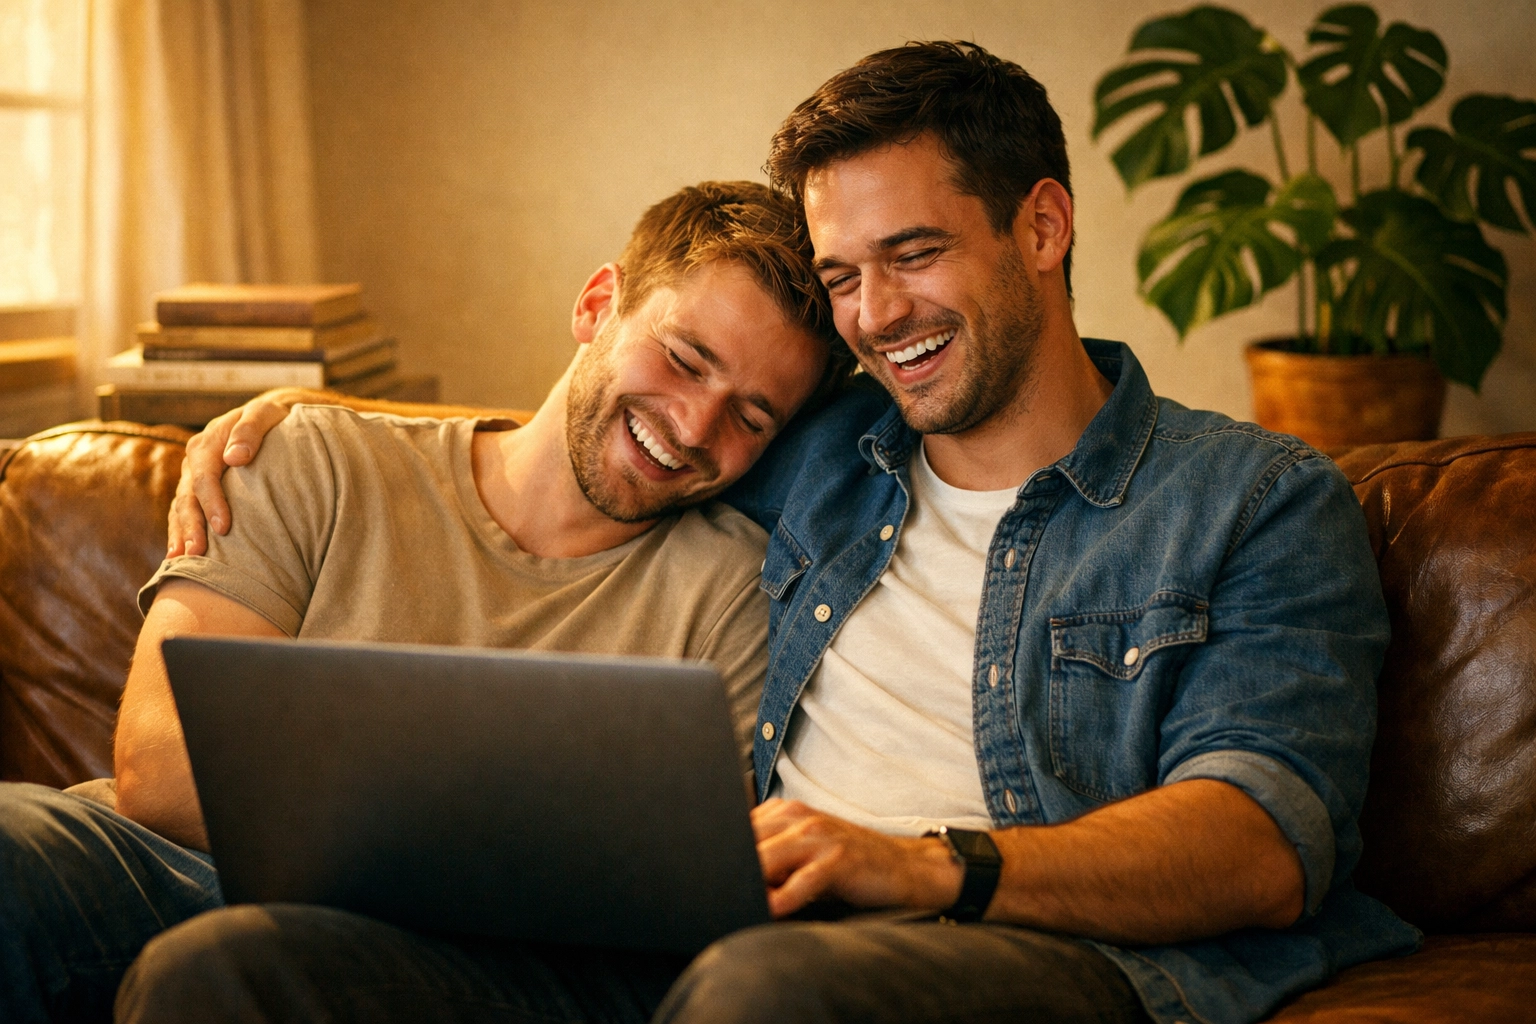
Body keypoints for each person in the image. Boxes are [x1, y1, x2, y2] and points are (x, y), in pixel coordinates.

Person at [133, 42, 1419, 1024]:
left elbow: (1263, 840)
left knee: (768, 993)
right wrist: (306, 412)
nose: (872, 315)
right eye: (844, 272)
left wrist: (923, 868)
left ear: (1042, 225)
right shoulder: (820, 451)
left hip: (1023, 950)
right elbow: (614, 411)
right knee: (234, 965)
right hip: (695, 940)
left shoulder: (1254, 499)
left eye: (910, 254)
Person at [0, 180, 850, 1024]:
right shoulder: (310, 458)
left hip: (433, 963)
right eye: (684, 358)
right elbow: (157, 765)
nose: (696, 427)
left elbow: (681, 883)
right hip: (168, 870)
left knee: (225, 970)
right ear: (598, 304)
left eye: (751, 416)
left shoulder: (739, 590)